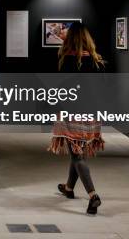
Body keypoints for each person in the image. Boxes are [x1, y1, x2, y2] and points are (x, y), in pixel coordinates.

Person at [48, 22, 104, 215]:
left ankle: (93, 195)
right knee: (77, 152)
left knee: (77, 155)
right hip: (92, 115)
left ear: (70, 38)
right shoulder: (96, 60)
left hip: (71, 114)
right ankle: (69, 188)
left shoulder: (65, 59)